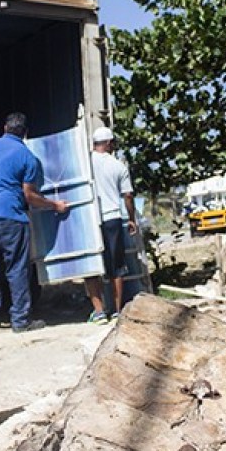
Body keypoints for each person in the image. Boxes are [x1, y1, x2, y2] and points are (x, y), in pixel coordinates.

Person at [0, 112, 68, 332]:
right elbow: (29, 196)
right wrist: (55, 206)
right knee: (16, 269)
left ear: (5, 128)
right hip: (10, 217)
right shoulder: (27, 157)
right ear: (26, 133)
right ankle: (20, 320)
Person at [85, 126, 137, 324]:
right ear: (108, 143)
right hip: (112, 218)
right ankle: (116, 311)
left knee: (91, 266)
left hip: (90, 218)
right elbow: (128, 196)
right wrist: (131, 218)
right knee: (116, 266)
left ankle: (98, 312)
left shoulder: (85, 162)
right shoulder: (118, 166)